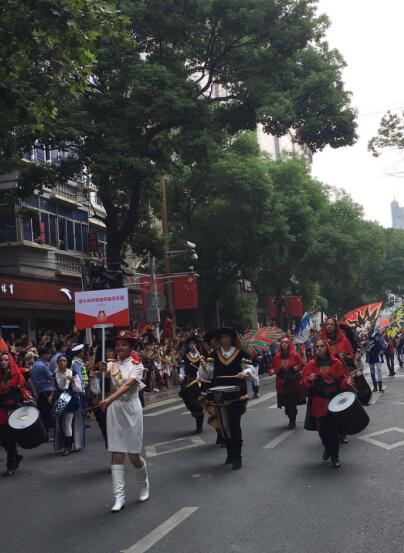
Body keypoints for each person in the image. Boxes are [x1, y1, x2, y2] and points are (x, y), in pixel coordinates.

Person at [99, 330, 149, 512]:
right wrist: (101, 371)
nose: (120, 347)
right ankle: (118, 498)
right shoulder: (111, 365)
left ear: (130, 347)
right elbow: (104, 382)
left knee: (134, 456)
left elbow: (128, 385)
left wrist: (109, 399)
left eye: (124, 344)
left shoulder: (138, 365)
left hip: (131, 410)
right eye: (118, 344)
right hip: (115, 411)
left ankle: (144, 485)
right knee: (117, 454)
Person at [203, 328, 257, 470]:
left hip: (236, 394)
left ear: (232, 338)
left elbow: (251, 370)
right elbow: (206, 374)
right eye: (222, 337)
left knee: (234, 424)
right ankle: (229, 453)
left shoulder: (240, 353)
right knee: (224, 426)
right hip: (219, 394)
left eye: (226, 337)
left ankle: (237, 457)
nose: (224, 340)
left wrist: (243, 372)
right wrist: (204, 368)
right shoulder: (214, 354)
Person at [301, 338, 352, 468]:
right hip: (319, 403)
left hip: (335, 401)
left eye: (322, 346)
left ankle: (334, 456)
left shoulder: (336, 363)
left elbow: (343, 379)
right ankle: (327, 448)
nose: (319, 349)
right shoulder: (310, 365)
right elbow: (303, 383)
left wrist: (347, 382)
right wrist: (310, 379)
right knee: (323, 431)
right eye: (317, 347)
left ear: (327, 347)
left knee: (334, 430)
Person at [0, 351, 32, 476]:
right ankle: (16, 456)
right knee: (3, 440)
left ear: (10, 361)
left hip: (11, 411)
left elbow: (23, 390)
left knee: (10, 439)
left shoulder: (16, 375)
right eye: (1, 360)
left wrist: (28, 397)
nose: (3, 362)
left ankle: (11, 465)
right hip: (1, 411)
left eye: (6, 360)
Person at [269, 336, 305, 429]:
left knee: (292, 401)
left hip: (292, 380)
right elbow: (271, 368)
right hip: (282, 381)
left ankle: (292, 419)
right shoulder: (276, 357)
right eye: (282, 342)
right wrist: (274, 371)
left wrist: (296, 368)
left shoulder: (295, 355)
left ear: (289, 344)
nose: (284, 344)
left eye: (286, 342)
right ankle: (290, 416)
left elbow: (302, 364)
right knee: (286, 402)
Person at [53, 355, 85, 456]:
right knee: (61, 425)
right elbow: (55, 389)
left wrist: (73, 381)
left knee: (67, 424)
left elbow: (79, 389)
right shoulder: (55, 375)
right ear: (57, 363)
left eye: (64, 360)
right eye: (60, 361)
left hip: (70, 401)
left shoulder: (73, 373)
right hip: (59, 402)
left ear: (67, 362)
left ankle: (67, 447)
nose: (62, 362)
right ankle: (66, 443)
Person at [179, 336, 205, 433]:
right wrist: (181, 375)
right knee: (188, 399)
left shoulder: (201, 356)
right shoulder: (185, 356)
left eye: (194, 343)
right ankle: (196, 414)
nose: (192, 345)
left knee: (198, 402)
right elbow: (183, 367)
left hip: (199, 381)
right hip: (189, 380)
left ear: (197, 345)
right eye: (190, 344)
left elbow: (206, 368)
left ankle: (199, 422)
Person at [30, 347, 53, 438]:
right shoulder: (42, 366)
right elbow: (51, 377)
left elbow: (32, 380)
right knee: (46, 414)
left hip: (39, 392)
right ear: (43, 355)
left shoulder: (35, 364)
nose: (49, 355)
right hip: (46, 391)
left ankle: (43, 434)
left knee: (43, 414)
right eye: (48, 353)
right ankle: (46, 435)